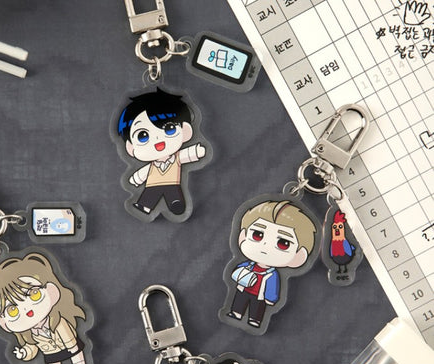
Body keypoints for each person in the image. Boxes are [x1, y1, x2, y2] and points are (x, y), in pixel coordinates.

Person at [0, 252, 88, 364]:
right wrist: (24, 353)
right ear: (3, 323)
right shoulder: (30, 335)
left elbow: (66, 333)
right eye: (12, 310)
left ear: (51, 290)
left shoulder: (58, 321)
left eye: (34, 294)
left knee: (78, 359)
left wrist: (72, 346)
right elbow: (31, 347)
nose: (26, 308)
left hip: (70, 346)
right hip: (50, 353)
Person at [227, 199, 317, 328]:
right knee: (239, 300)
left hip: (260, 295)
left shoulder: (272, 275)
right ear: (243, 236)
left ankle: (255, 319)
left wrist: (270, 298)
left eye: (283, 243)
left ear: (298, 256)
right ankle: (236, 313)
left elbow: (273, 287)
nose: (265, 245)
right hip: (243, 288)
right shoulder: (248, 265)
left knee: (258, 307)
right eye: (257, 234)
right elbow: (236, 271)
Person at [117, 88, 206, 217]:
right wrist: (136, 179)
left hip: (172, 183)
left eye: (169, 128)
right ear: (131, 147)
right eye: (143, 136)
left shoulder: (176, 157)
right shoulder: (151, 165)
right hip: (152, 184)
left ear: (185, 131)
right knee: (149, 195)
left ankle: (176, 204)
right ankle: (145, 206)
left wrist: (196, 151)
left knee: (174, 195)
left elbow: (186, 154)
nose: (158, 139)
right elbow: (144, 172)